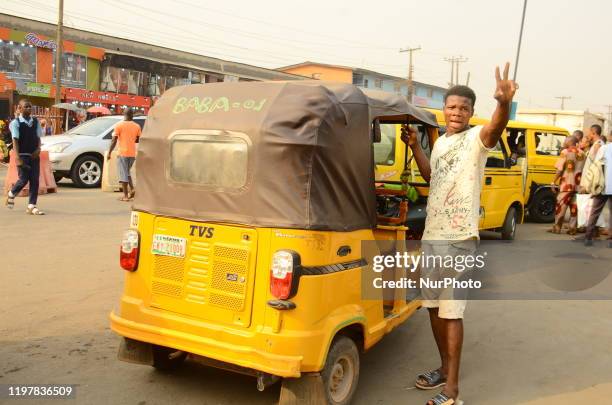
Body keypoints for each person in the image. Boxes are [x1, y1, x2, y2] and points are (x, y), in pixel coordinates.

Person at [401, 63, 517, 405]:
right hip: (433, 237)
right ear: (444, 109)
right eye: (451, 107)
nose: (456, 112)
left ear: (471, 113)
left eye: (463, 108)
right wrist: (416, 147)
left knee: (452, 312)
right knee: (434, 308)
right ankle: (443, 367)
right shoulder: (441, 143)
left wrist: (504, 104)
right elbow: (431, 177)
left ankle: (452, 391)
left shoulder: (476, 139)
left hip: (459, 238)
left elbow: (495, 128)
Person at [4, 99, 45, 215]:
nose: (28, 109)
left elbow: (38, 138)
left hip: (34, 155)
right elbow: (15, 140)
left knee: (35, 180)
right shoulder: (15, 123)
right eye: (25, 107)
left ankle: (32, 206)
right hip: (22, 155)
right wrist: (17, 157)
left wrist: (38, 149)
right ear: (20, 108)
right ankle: (11, 193)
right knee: (23, 179)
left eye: (29, 107)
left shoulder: (36, 122)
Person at [551, 137, 585, 234]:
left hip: (566, 184)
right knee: (574, 207)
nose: (564, 142)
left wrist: (553, 181)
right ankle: (572, 228)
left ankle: (557, 227)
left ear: (569, 142)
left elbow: (560, 169)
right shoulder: (582, 153)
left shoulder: (565, 152)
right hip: (578, 185)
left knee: (561, 206)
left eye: (565, 140)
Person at [583, 130, 612, 247]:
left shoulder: (604, 148)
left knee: (595, 211)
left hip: (603, 185)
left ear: (611, 136)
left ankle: (588, 237)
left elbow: (597, 165)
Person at [107, 108, 141, 201]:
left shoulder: (119, 125)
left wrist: (109, 152)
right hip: (132, 154)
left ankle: (125, 196)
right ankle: (132, 189)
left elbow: (114, 140)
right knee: (126, 172)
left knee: (123, 174)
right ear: (132, 115)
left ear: (124, 114)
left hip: (122, 153)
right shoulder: (137, 126)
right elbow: (138, 139)